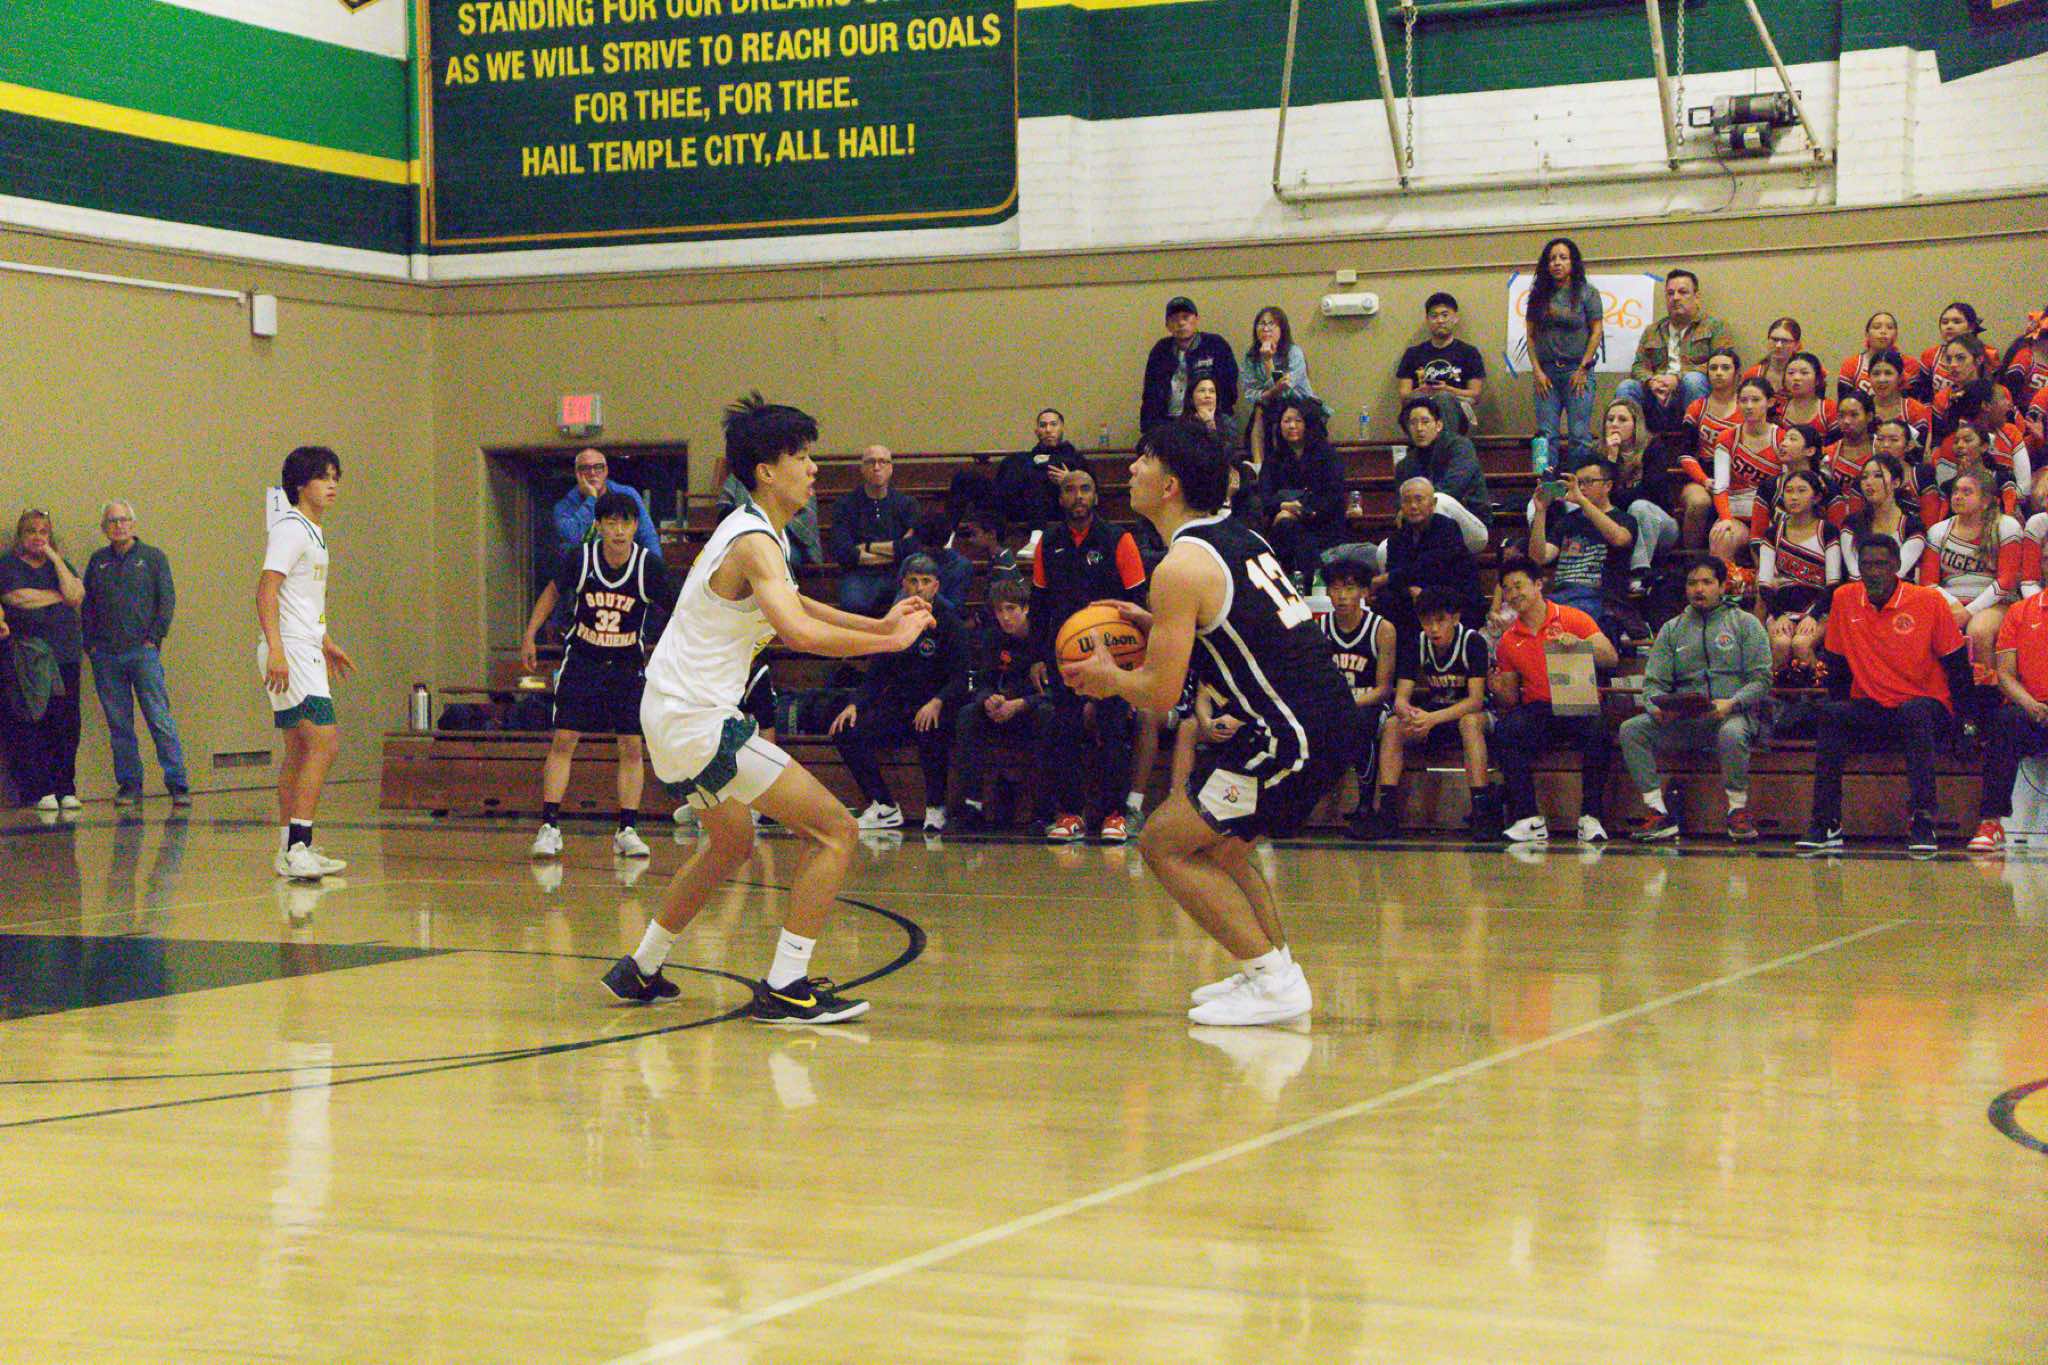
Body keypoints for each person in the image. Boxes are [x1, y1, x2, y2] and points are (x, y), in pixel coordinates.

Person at [605, 394, 934, 1021]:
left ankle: (639, 968)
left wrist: (878, 622)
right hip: (697, 719)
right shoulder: (755, 541)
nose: (813, 468)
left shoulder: (756, 531)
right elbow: (798, 633)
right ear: (765, 470)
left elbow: (799, 604)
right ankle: (786, 985)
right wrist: (890, 642)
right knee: (836, 831)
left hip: (671, 714)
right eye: (801, 456)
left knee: (730, 843)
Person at [1062, 421, 1352, 1026]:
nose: (1132, 468)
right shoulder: (1241, 537)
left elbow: (1160, 693)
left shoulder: (1180, 568)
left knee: (1162, 843)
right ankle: (1274, 972)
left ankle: (1272, 982)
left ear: (1169, 485)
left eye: (1144, 459)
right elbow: (1238, 632)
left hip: (1291, 735)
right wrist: (1156, 624)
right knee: (1222, 848)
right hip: (1317, 718)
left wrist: (1109, 677)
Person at [520, 489, 673, 863]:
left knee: (631, 745)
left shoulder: (648, 566)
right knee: (564, 738)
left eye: (626, 523)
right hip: (583, 659)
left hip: (626, 663)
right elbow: (552, 592)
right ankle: (550, 826)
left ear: (635, 527)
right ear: (599, 525)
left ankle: (627, 830)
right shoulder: (581, 558)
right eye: (611, 522)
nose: (619, 530)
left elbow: (679, 611)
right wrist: (530, 633)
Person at [1800, 533, 1969, 854]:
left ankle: (1923, 820)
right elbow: (1837, 665)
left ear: (1896, 566)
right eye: (1867, 565)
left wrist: (1964, 723)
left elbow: (1957, 665)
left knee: (1914, 712)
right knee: (1832, 713)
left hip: (1925, 707)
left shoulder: (1929, 601)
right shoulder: (1845, 598)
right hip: (1873, 706)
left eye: (1881, 564)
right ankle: (1826, 821)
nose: (1874, 572)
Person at [1619, 556, 1773, 842]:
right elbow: (1653, 685)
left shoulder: (1746, 623)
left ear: (1722, 586)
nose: (1699, 589)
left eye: (1707, 582)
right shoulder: (1672, 629)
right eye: (1692, 583)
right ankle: (1658, 813)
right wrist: (1656, 708)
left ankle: (1737, 811)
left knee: (1731, 732)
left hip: (1733, 715)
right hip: (1685, 720)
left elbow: (1762, 680)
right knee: (1631, 729)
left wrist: (1732, 703)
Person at [1031, 464, 1148, 842]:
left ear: (1096, 496)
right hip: (1066, 654)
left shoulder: (1119, 539)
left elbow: (1138, 603)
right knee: (1064, 730)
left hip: (1112, 653)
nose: (1077, 496)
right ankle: (1070, 814)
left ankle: (1115, 814)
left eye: (1084, 489)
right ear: (1060, 497)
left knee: (1112, 730)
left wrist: (1137, 660)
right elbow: (1039, 604)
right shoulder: (1048, 543)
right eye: (1069, 489)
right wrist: (1038, 656)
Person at [257, 448, 356, 880]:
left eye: (335, 477)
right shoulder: (291, 529)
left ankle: (290, 849)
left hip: (306, 646)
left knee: (299, 750)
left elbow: (304, 599)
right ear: (300, 484)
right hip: (291, 651)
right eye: (322, 477)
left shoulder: (314, 532)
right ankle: (300, 845)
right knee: (324, 743)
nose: (332, 485)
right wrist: (277, 649)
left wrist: (325, 639)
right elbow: (266, 590)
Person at [829, 554, 969, 834]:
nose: (919, 587)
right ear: (903, 584)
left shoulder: (950, 622)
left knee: (929, 726)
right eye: (913, 581)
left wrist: (937, 701)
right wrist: (855, 705)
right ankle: (884, 806)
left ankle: (936, 806)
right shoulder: (895, 620)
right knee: (845, 730)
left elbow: (960, 679)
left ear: (936, 586)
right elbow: (876, 674)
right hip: (900, 707)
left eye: (926, 581)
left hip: (937, 707)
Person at [1489, 557, 1619, 844]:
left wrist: (1582, 645)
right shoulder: (1508, 640)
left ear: (1538, 584)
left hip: (1578, 703)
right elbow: (1510, 699)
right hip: (1539, 709)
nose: (1513, 594)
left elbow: (1611, 658)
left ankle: (1591, 817)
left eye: (1519, 585)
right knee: (1507, 730)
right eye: (1507, 589)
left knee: (1598, 729)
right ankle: (1527, 818)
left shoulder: (1574, 618)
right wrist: (1497, 688)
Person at [80, 500, 188, 806]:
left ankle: (178, 783)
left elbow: (166, 600)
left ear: (133, 523)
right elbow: (88, 605)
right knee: (120, 725)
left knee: (159, 718)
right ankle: (129, 784)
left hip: (143, 654)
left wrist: (154, 638)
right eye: (112, 521)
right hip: (106, 657)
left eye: (124, 519)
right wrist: (91, 644)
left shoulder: (153, 558)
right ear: (104, 528)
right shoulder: (97, 561)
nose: (119, 525)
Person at [1367, 586, 1496, 841]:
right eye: (1427, 622)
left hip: (1475, 716)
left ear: (1455, 618)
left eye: (1440, 621)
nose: (1433, 628)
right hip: (1436, 715)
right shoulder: (1417, 643)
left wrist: (1432, 718)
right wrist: (1406, 711)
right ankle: (1387, 812)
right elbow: (1401, 698)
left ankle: (1482, 812)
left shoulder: (1473, 642)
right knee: (1393, 725)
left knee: (1469, 723)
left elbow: (1475, 701)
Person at [950, 575, 1052, 832]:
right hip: (1003, 709)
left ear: (1025, 609)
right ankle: (971, 805)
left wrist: (1021, 703)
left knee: (1048, 715)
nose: (1005, 617)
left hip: (1032, 708)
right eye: (999, 611)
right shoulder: (993, 637)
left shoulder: (1045, 637)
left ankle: (1044, 811)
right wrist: (988, 699)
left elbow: (1056, 692)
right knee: (968, 715)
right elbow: (983, 681)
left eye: (1011, 609)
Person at [0, 510, 86, 811]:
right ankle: (40, 789)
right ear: (20, 536)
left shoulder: (59, 563)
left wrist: (55, 558)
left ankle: (66, 788)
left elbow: (75, 595)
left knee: (66, 724)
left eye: (43, 532)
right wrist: (59, 596)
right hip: (28, 657)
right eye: (31, 531)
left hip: (66, 655)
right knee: (32, 721)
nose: (37, 537)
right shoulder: (8, 565)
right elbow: (18, 598)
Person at [1318, 550, 1397, 838]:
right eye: (1335, 588)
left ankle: (1365, 803)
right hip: (1335, 706)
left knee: (1360, 722)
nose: (1342, 596)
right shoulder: (1320, 627)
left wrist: (1349, 704)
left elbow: (1384, 689)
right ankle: (1296, 803)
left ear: (1364, 592)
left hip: (1372, 704)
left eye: (1349, 588)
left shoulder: (1382, 629)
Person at [1967, 578, 2048, 853]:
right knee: (2005, 720)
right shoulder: (2021, 611)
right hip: (2032, 709)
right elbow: (2004, 673)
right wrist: (2031, 704)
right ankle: (1991, 822)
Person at [1922, 468, 2024, 683]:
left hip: (1996, 602)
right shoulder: (1938, 531)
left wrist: (1969, 611)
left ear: (1985, 501)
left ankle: (1987, 695)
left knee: (1979, 630)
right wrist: (1954, 606)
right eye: (1955, 491)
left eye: (1967, 492)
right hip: (1949, 602)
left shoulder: (2007, 526)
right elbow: (1928, 582)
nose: (1957, 496)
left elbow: (2006, 581)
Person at [1529, 455, 1634, 639]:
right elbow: (1539, 557)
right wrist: (1540, 511)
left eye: (1588, 482)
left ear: (1608, 486)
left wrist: (1582, 501)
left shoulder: (1624, 519)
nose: (1582, 488)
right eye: (1578, 483)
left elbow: (1619, 539)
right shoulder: (1567, 521)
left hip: (1600, 599)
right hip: (1562, 597)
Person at [1522, 237, 1605, 467]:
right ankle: (1545, 481)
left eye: (1563, 258)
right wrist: (1537, 371)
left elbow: (1596, 332)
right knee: (1545, 434)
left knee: (1579, 433)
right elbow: (1530, 336)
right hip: (1546, 374)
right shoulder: (1537, 296)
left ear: (1573, 262)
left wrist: (1583, 368)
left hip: (1577, 371)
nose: (1557, 263)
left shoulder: (1588, 293)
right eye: (1552, 259)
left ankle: (1581, 482)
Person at [1754, 469, 1842, 680]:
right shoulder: (1772, 533)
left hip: (1818, 608)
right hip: (1782, 607)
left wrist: (1813, 616)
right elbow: (1764, 583)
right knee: (1781, 644)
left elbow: (1833, 583)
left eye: (1802, 491)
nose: (1794, 497)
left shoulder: (1827, 531)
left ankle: (1818, 691)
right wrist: (1778, 616)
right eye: (1789, 491)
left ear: (1816, 497)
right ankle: (1777, 697)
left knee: (1801, 644)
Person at [1617, 269, 1729, 433]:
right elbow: (1638, 366)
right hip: (1657, 397)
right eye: (1670, 293)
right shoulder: (1653, 330)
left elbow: (1724, 365)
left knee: (1693, 380)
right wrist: (1651, 382)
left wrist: (1677, 379)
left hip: (1690, 393)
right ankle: (1630, 446)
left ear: (1697, 296)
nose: (1675, 298)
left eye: (1683, 292)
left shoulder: (1715, 326)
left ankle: (1694, 443)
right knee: (1627, 387)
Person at [1597, 397, 1682, 597]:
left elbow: (1652, 492)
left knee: (1639, 507)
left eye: (1622, 419)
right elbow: (1601, 497)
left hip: (1660, 525)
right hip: (1623, 528)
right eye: (1610, 419)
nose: (1614, 424)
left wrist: (1621, 496)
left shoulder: (1653, 448)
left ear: (1636, 425)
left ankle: (1638, 574)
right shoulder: (1599, 454)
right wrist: (1611, 459)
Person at [1259, 397, 1347, 586]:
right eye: (1286, 421)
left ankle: (1301, 585)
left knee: (1287, 525)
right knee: (1285, 525)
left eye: (1298, 420)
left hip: (1322, 526)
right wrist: (1284, 506)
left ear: (1309, 423)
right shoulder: (1273, 460)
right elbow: (1264, 499)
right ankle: (1307, 584)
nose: (1292, 426)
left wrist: (1299, 511)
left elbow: (1332, 498)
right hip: (1284, 527)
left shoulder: (1327, 456)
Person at [825, 444, 921, 617]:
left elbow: (912, 547)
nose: (877, 467)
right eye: (870, 462)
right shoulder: (845, 504)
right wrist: (895, 551)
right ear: (862, 469)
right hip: (859, 575)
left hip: (898, 573)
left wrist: (866, 547)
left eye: (883, 462)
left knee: (911, 603)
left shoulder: (907, 504)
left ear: (891, 468)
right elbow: (844, 552)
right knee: (853, 603)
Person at [1378, 476, 1484, 626]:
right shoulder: (1397, 538)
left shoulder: (1447, 527)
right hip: (1413, 600)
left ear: (1433, 503)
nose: (1413, 506)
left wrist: (1425, 594)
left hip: (1452, 598)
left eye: (1419, 499)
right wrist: (1408, 588)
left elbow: (1432, 568)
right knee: (1388, 598)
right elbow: (1394, 577)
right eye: (1407, 501)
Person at [1707, 376, 1788, 566]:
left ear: (1770, 402)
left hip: (1771, 513)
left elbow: (1788, 485)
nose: (1749, 406)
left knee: (1771, 542)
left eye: (1756, 400)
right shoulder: (1727, 438)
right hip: (1736, 512)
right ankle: (1724, 583)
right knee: (1721, 535)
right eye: (1743, 400)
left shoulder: (1782, 439)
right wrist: (1725, 519)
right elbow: (1720, 485)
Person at [1676, 347, 1745, 548]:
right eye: (1713, 368)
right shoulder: (1697, 407)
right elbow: (1685, 453)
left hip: (1737, 476)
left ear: (1737, 374)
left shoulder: (1746, 408)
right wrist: (1705, 480)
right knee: (1699, 502)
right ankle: (1692, 558)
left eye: (1725, 368)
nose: (1718, 373)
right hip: (1702, 475)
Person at [1393, 395, 1493, 534]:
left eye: (1425, 422)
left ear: (1438, 425)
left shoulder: (1460, 446)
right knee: (1385, 547)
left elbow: (1453, 487)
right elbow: (1400, 501)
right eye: (1413, 423)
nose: (1419, 428)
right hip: (1427, 526)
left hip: (1472, 521)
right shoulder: (1405, 464)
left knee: (1438, 501)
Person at [1140, 295, 1238, 432]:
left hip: (1209, 418)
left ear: (1197, 320)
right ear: (1167, 325)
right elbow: (1150, 395)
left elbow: (1229, 390)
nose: (1181, 323)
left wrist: (1209, 416)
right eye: (1174, 319)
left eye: (1186, 317)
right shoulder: (1160, 351)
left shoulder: (1216, 345)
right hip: (1168, 422)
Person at [1398, 291, 1487, 435]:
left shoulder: (1469, 352)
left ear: (1455, 318)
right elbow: (1404, 395)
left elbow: (1475, 395)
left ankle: (1447, 444)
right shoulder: (1413, 353)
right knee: (1418, 399)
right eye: (1434, 316)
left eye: (1445, 315)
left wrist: (1447, 389)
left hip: (1457, 409)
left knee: (1443, 398)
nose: (1440, 320)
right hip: (1422, 406)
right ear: (1427, 320)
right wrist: (1423, 391)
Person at [1241, 306, 1320, 464]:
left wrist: (1268, 361)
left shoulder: (1294, 352)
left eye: (1271, 324)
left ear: (1282, 329)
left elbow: (1285, 392)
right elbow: (1250, 393)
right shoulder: (1250, 357)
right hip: (1267, 404)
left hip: (1300, 403)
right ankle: (1259, 465)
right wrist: (1271, 392)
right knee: (1259, 409)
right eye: (1262, 323)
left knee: (1278, 409)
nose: (1266, 328)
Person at [552, 448, 661, 558]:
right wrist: (591, 499)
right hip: (584, 565)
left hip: (624, 562)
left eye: (598, 467)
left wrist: (655, 564)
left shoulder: (627, 494)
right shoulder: (565, 504)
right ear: (577, 473)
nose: (592, 473)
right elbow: (572, 537)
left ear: (606, 471)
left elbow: (647, 535)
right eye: (585, 468)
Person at [993, 409, 1086, 537]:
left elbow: (1092, 492)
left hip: (1059, 509)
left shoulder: (1076, 459)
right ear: (1037, 431)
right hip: (1023, 508)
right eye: (1043, 425)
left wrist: (1069, 481)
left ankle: (1036, 535)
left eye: (1053, 424)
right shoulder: (1021, 459)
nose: (1048, 430)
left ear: (1062, 428)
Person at [1840, 454, 1927, 579]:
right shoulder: (1852, 523)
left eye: (1878, 475)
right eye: (1864, 477)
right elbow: (1854, 573)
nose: (1868, 482)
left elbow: (1897, 573)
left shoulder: (1912, 527)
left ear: (1896, 483)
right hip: (1858, 587)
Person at [1917, 301, 1988, 405]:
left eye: (1956, 322)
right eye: (1945, 322)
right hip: (1939, 409)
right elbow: (1924, 394)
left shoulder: (1987, 354)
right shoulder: (1930, 355)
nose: (1949, 326)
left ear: (1971, 327)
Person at [1838, 310, 1919, 401]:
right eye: (1877, 327)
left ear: (1896, 335)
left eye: (1889, 327)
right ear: (1867, 334)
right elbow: (1844, 404)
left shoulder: (1909, 364)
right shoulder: (1851, 364)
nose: (1883, 331)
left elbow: (1913, 402)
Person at [1746, 316, 1803, 395]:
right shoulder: (1753, 374)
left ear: (1797, 345)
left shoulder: (1804, 377)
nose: (1778, 345)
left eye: (1785, 341)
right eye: (1774, 340)